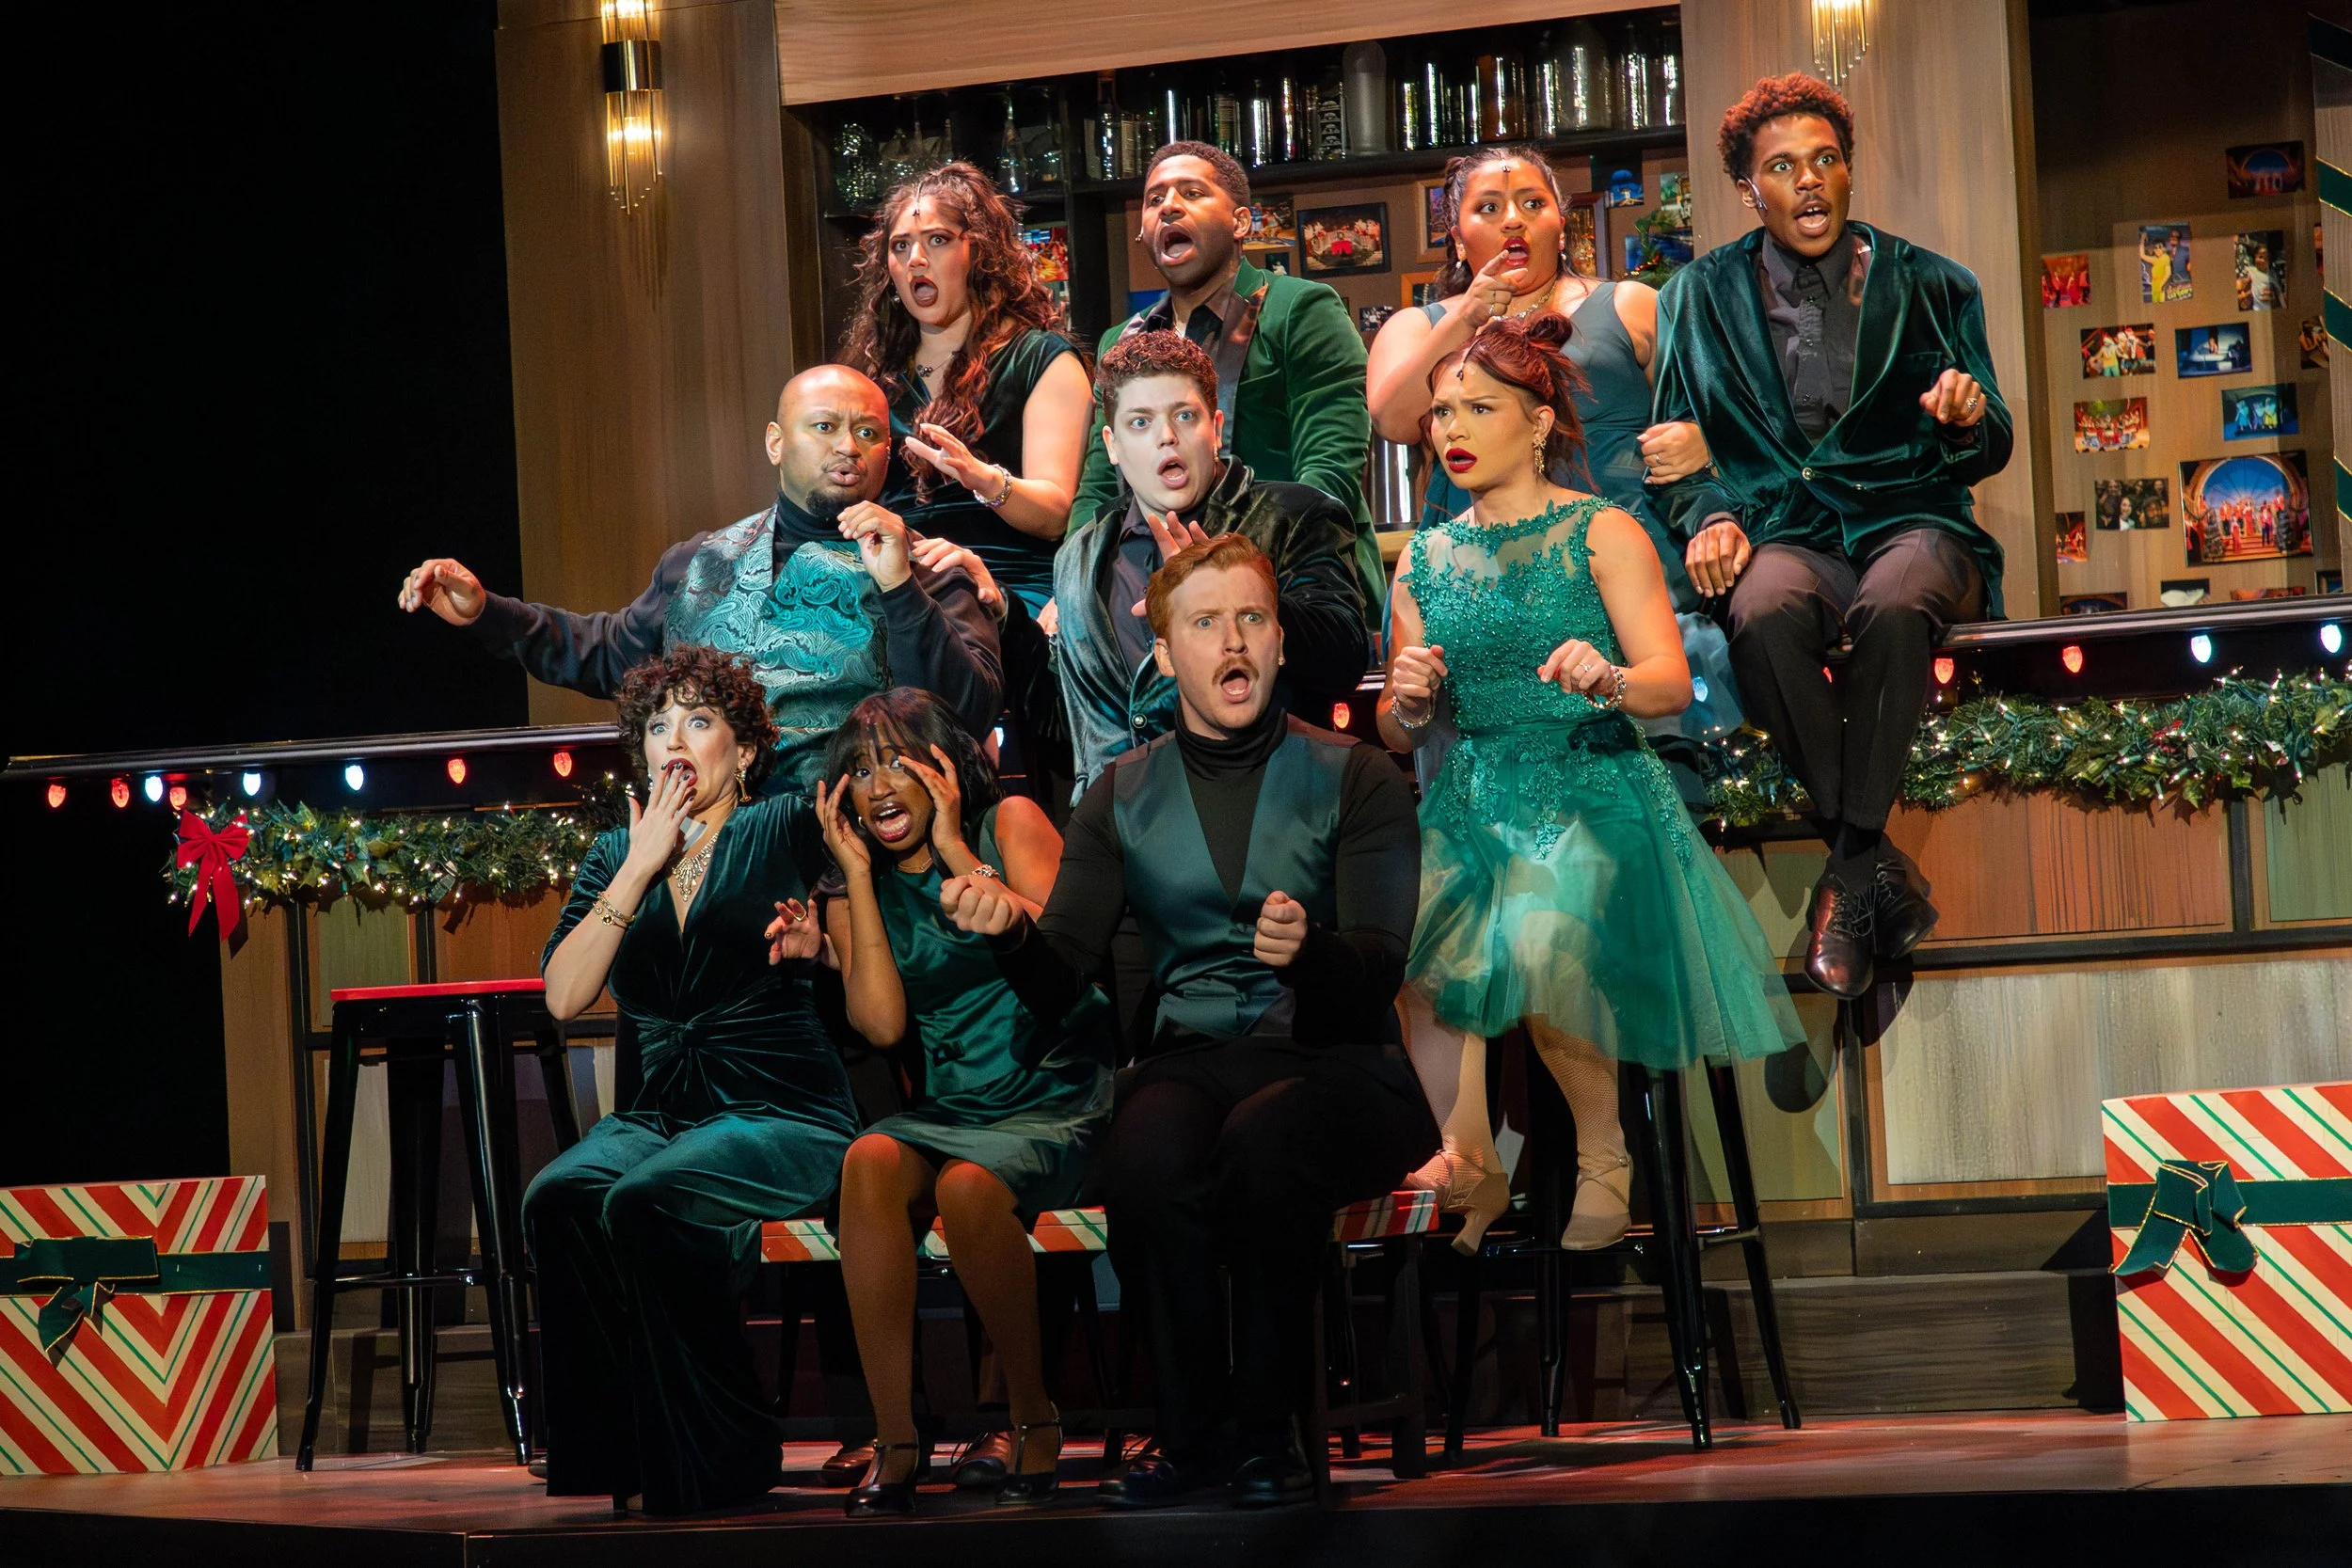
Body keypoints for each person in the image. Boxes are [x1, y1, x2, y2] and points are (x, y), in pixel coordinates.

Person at [941, 533, 1435, 1509]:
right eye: (1205, 623)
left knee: (1265, 1141)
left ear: (1280, 642)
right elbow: (1063, 975)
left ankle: (1269, 1435)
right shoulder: (1119, 791)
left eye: (1251, 617)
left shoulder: (1357, 774)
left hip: (1337, 1059)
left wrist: (1314, 951)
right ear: (1165, 654)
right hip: (1195, 1056)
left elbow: (1383, 957)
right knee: (1145, 1151)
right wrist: (1006, 930)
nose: (1233, 640)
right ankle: (1190, 1435)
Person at [1379, 313, 1803, 1253]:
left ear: (1535, 423)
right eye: (1441, 410)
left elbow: (1666, 679)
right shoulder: (1423, 558)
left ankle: (1601, 1150)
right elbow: (1397, 720)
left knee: (1534, 931)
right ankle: (1471, 1155)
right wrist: (1406, 701)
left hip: (1595, 784)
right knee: (1415, 961)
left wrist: (1604, 676)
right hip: (1477, 785)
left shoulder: (1599, 530)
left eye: (1477, 407)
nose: (1451, 426)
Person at [1650, 72, 2010, 1000]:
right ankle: (1872, 864)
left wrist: (1965, 416)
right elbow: (1672, 458)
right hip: (1788, 533)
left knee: (1894, 599)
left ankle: (1846, 871)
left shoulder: (1933, 282)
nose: (1807, 182)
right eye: (1782, 166)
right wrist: (1711, 516)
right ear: (1749, 188)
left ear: (1846, 173)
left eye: (1825, 161)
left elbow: (1993, 439)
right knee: (1762, 603)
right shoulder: (1695, 294)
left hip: (1912, 522)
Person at [523, 646, 860, 1515]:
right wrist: (640, 865)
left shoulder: (784, 823)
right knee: (557, 1196)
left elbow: (868, 936)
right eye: (659, 723)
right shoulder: (612, 854)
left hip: (780, 1105)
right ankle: (627, 1449)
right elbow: (564, 996)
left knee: (647, 1198)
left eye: (700, 720)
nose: (677, 738)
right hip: (657, 1118)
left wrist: (820, 942)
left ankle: (729, 1442)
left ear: (744, 751)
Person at [397, 363, 1003, 793]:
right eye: (824, 427)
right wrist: (488, 612)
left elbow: (969, 712)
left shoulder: (931, 565)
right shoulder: (699, 560)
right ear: (775, 442)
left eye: (868, 433)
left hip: (853, 855)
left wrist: (900, 588)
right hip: (712, 846)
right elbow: (608, 653)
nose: (848, 446)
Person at [816, 689, 1114, 1517]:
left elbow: (1067, 963)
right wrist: (853, 879)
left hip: (1054, 1086)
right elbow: (880, 1022)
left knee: (968, 1186)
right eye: (860, 770)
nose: (878, 787)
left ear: (945, 766)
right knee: (869, 1157)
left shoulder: (1008, 822)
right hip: (954, 1105)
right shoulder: (853, 883)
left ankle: (1031, 1414)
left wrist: (954, 849)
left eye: (897, 763)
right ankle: (897, 1437)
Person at [1366, 143, 1742, 774]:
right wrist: (1467, 319)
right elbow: (1394, 416)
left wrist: (1706, 439)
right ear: (1458, 237)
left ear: (1559, 225)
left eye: (1531, 203)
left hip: (1616, 558)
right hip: (1482, 567)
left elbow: (1725, 410)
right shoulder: (1419, 326)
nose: (1513, 219)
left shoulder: (1630, 305)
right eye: (1490, 207)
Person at [1055, 329, 1370, 799]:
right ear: (1112, 445)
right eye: (1140, 423)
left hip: (1268, 809)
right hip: (1122, 827)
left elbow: (1344, 657)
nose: (1167, 438)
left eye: (1184, 416)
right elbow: (1071, 721)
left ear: (1216, 428)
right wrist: (1004, 617)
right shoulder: (1079, 556)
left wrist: (1226, 589)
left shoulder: (1293, 515)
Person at [1071, 141, 1382, 610]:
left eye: (1192, 193)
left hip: (1293, 580)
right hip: (1148, 593)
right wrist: (1074, 582)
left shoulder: (1300, 308)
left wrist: (1241, 573)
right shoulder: (1123, 340)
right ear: (1141, 232)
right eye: (1154, 200)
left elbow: (1329, 471)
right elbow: (1099, 485)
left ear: (1240, 222)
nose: (1169, 206)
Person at [841, 162, 1093, 617]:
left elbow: (1054, 513)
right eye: (901, 246)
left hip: (1006, 585)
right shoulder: (877, 374)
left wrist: (983, 477)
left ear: (979, 254)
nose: (916, 258)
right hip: (900, 576)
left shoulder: (1042, 359)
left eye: (937, 240)